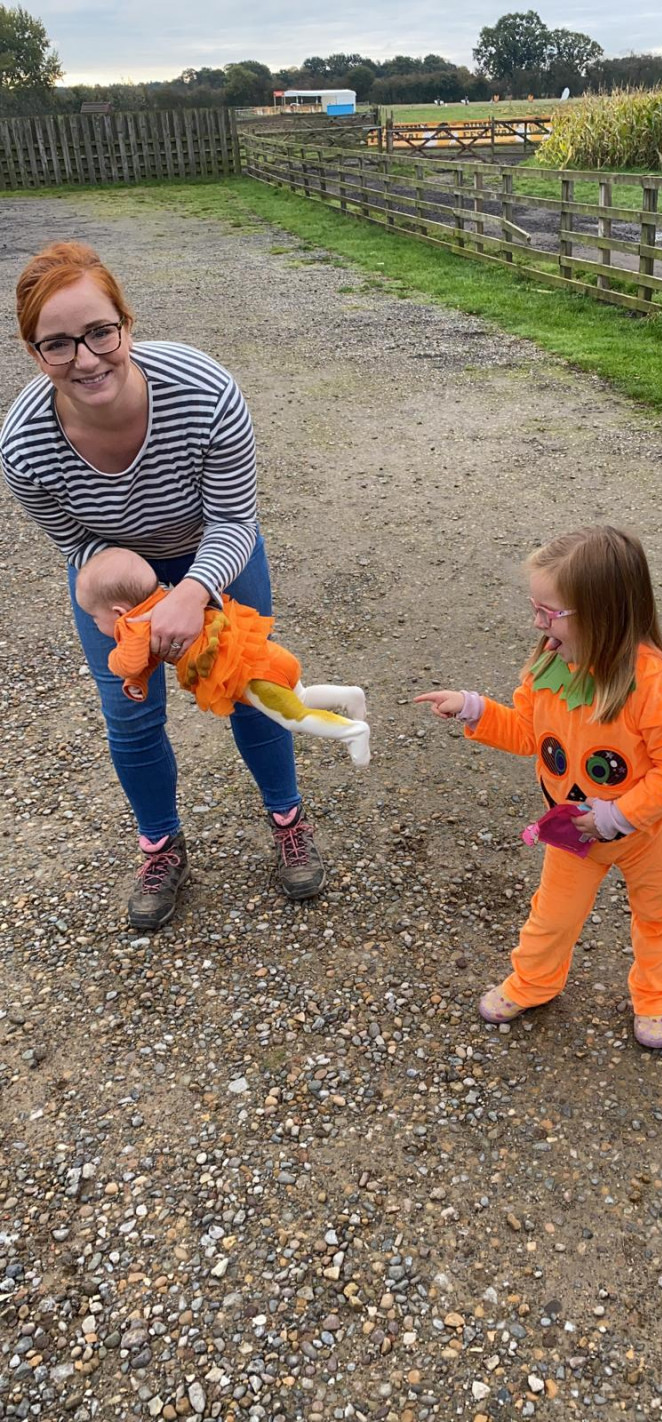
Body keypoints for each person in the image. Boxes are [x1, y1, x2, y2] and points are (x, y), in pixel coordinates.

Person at [1, 241, 328, 930]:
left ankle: (288, 820)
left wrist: (194, 591)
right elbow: (78, 544)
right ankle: (161, 845)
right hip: (116, 578)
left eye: (99, 333)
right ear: (33, 354)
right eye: (57, 345)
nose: (85, 359)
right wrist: (132, 598)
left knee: (255, 693)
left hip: (218, 551)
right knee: (131, 719)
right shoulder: (24, 448)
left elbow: (236, 517)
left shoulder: (204, 390)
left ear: (126, 323)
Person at [415, 526, 662, 1050]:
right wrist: (474, 708)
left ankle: (656, 997)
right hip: (574, 834)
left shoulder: (654, 685)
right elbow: (530, 734)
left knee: (660, 919)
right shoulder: (549, 663)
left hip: (650, 836)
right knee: (550, 917)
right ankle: (534, 982)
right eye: (536, 607)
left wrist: (616, 817)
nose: (537, 623)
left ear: (606, 613)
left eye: (550, 612)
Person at [75, 546, 371, 764]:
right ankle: (349, 696)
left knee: (293, 717)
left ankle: (353, 732)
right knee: (301, 696)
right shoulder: (166, 600)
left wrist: (119, 659)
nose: (94, 624)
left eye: (93, 618)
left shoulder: (132, 626)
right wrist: (137, 682)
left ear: (118, 612)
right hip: (262, 652)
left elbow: (128, 661)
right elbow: (148, 660)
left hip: (249, 675)